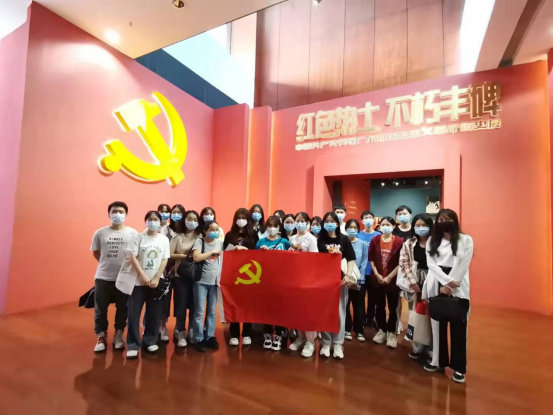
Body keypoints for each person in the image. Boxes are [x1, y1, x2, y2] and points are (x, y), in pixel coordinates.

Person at [423, 209, 473, 384]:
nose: (444, 221)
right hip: (436, 281)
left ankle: (459, 367)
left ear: (455, 220)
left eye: (448, 218)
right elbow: (431, 264)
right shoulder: (432, 240)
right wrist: (445, 282)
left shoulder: (466, 240)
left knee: (459, 326)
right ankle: (438, 361)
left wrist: (450, 284)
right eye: (441, 219)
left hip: (458, 285)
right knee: (437, 325)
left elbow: (464, 264)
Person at [90, 201, 138, 352]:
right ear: (109, 214)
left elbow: (135, 254)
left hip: (124, 277)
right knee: (100, 308)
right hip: (103, 277)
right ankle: (101, 336)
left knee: (123, 307)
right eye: (114, 211)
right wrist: (107, 264)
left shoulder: (133, 233)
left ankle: (119, 335)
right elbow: (96, 253)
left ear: (126, 215)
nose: (117, 214)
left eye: (121, 212)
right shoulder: (100, 233)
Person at [125, 211, 170, 359]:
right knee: (134, 314)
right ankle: (133, 344)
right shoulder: (137, 237)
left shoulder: (163, 239)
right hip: (138, 282)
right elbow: (132, 257)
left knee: (154, 313)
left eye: (156, 219)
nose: (153, 222)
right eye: (150, 219)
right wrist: (143, 276)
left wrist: (157, 277)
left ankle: (150, 340)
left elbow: (164, 259)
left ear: (160, 222)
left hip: (156, 282)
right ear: (145, 221)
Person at [317, 212, 356, 360]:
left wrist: (348, 275)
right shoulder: (320, 240)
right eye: (326, 221)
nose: (329, 224)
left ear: (337, 223)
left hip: (340, 281)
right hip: (323, 282)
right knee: (325, 312)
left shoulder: (344, 239)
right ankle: (326, 343)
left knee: (340, 313)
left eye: (332, 221)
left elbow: (351, 258)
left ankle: (338, 343)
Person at [399, 213, 433, 359]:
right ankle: (417, 346)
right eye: (418, 225)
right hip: (415, 282)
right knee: (416, 314)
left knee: (432, 316)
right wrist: (413, 282)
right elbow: (404, 263)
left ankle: (431, 348)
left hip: (433, 282)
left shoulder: (437, 242)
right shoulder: (409, 243)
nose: (421, 228)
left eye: (424, 225)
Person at [255, 216, 291, 351]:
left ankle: (279, 334)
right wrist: (261, 253)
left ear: (279, 227)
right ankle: (267, 333)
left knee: (280, 308)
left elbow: (292, 260)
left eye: (274, 226)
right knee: (267, 308)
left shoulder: (285, 242)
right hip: (265, 281)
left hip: (282, 281)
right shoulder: (261, 242)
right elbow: (254, 261)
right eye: (269, 226)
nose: (272, 228)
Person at [223, 208, 258, 346]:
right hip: (234, 274)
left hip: (250, 274)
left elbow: (258, 253)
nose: (241, 220)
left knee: (248, 304)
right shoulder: (230, 235)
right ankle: (234, 333)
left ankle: (247, 333)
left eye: (244, 218)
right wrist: (234, 250)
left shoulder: (253, 234)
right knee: (234, 303)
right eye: (239, 218)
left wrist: (246, 251)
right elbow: (224, 252)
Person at [288, 212, 320, 357]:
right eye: (297, 220)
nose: (299, 223)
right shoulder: (292, 238)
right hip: (294, 279)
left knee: (309, 311)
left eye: (302, 221)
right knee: (297, 310)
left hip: (308, 279)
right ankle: (300, 337)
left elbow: (315, 260)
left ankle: (310, 341)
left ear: (307, 223)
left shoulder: (311, 239)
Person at [368, 216, 403, 349]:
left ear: (393, 226)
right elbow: (371, 258)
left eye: (388, 224)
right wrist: (377, 274)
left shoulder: (399, 241)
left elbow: (401, 261)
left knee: (393, 308)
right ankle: (382, 329)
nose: (385, 227)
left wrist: (389, 277)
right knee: (379, 306)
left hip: (393, 280)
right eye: (383, 224)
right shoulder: (375, 239)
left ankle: (391, 332)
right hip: (377, 279)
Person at [169, 210, 201, 348]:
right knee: (181, 305)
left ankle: (192, 330)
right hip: (181, 276)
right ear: (184, 220)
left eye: (195, 220)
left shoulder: (201, 236)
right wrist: (182, 256)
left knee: (195, 305)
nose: (192, 222)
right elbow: (168, 254)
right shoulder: (178, 237)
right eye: (189, 219)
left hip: (196, 276)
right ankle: (180, 331)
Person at [192, 221, 224, 352]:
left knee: (211, 311)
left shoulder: (220, 243)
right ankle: (198, 338)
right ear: (205, 231)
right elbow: (196, 257)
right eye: (212, 229)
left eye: (217, 229)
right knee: (199, 311)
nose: (215, 232)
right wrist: (211, 252)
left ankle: (210, 336)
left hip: (215, 283)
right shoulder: (199, 242)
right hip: (201, 282)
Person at [344, 219, 369, 342]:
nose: (352, 230)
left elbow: (364, 262)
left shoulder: (363, 244)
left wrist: (359, 278)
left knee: (359, 306)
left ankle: (359, 330)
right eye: (350, 227)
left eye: (355, 227)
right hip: (345, 280)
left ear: (358, 229)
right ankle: (347, 329)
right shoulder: (343, 242)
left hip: (359, 280)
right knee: (345, 305)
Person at [357, 210, 381, 331]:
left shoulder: (378, 235)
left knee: (373, 298)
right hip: (360, 272)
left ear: (373, 220)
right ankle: (361, 319)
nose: (368, 220)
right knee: (360, 297)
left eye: (370, 217)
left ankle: (371, 320)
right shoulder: (357, 234)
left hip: (374, 272)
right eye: (366, 218)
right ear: (362, 221)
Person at [393, 205, 413, 335]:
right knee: (396, 300)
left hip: (412, 270)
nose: (402, 216)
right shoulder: (394, 231)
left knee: (413, 301)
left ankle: (412, 327)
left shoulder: (415, 231)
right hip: (397, 269)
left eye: (404, 213)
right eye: (399, 214)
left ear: (410, 215)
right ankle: (397, 322)